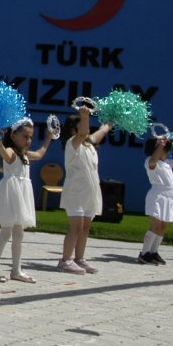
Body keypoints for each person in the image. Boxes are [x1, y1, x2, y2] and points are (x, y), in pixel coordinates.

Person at [0, 117, 55, 283]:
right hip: (11, 195)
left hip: (22, 195)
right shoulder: (10, 151)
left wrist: (48, 138)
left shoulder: (25, 155)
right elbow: (6, 156)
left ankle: (16, 270)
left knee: (19, 233)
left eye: (30, 137)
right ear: (14, 135)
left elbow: (39, 154)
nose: (28, 140)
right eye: (25, 136)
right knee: (5, 233)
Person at [58, 105, 112, 274]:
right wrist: (85, 115)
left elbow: (102, 131)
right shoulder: (71, 144)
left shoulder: (90, 145)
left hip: (91, 193)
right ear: (74, 129)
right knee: (76, 227)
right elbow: (82, 134)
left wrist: (112, 119)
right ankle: (65, 260)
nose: (87, 130)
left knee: (85, 228)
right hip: (76, 192)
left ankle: (79, 259)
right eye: (83, 126)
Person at [141, 134, 173, 265]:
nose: (165, 150)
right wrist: (162, 145)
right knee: (155, 226)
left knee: (163, 226)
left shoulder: (166, 164)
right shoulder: (150, 161)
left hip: (168, 197)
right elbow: (154, 160)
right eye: (160, 147)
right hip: (157, 196)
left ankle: (153, 252)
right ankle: (144, 253)